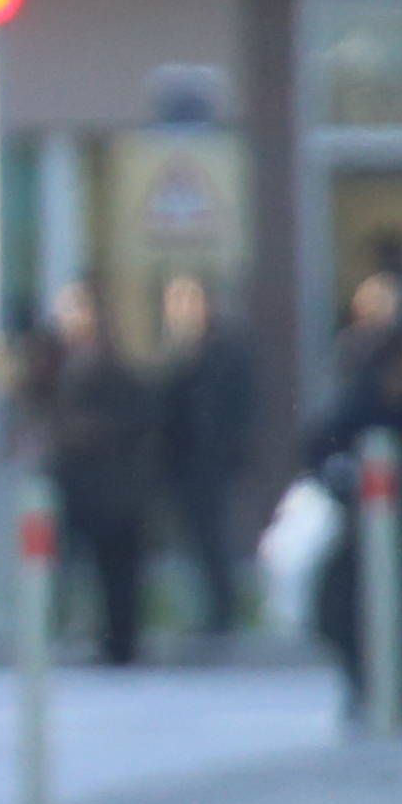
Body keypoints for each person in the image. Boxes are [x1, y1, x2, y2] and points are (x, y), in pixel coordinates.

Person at [306, 285, 402, 726]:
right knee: (357, 612)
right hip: (363, 531)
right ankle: (364, 691)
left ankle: (401, 692)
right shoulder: (366, 399)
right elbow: (321, 447)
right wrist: (343, 486)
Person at [30, 280, 158, 665]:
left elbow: (136, 422)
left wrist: (91, 432)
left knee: (118, 572)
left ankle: (122, 641)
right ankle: (89, 632)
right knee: (76, 567)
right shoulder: (59, 366)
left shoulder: (115, 370)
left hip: (113, 490)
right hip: (80, 486)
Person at [157, 274, 257, 639]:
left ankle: (222, 612)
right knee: (194, 539)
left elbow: (235, 408)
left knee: (213, 537)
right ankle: (208, 609)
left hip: (211, 461)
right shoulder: (175, 353)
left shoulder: (224, 352)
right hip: (181, 461)